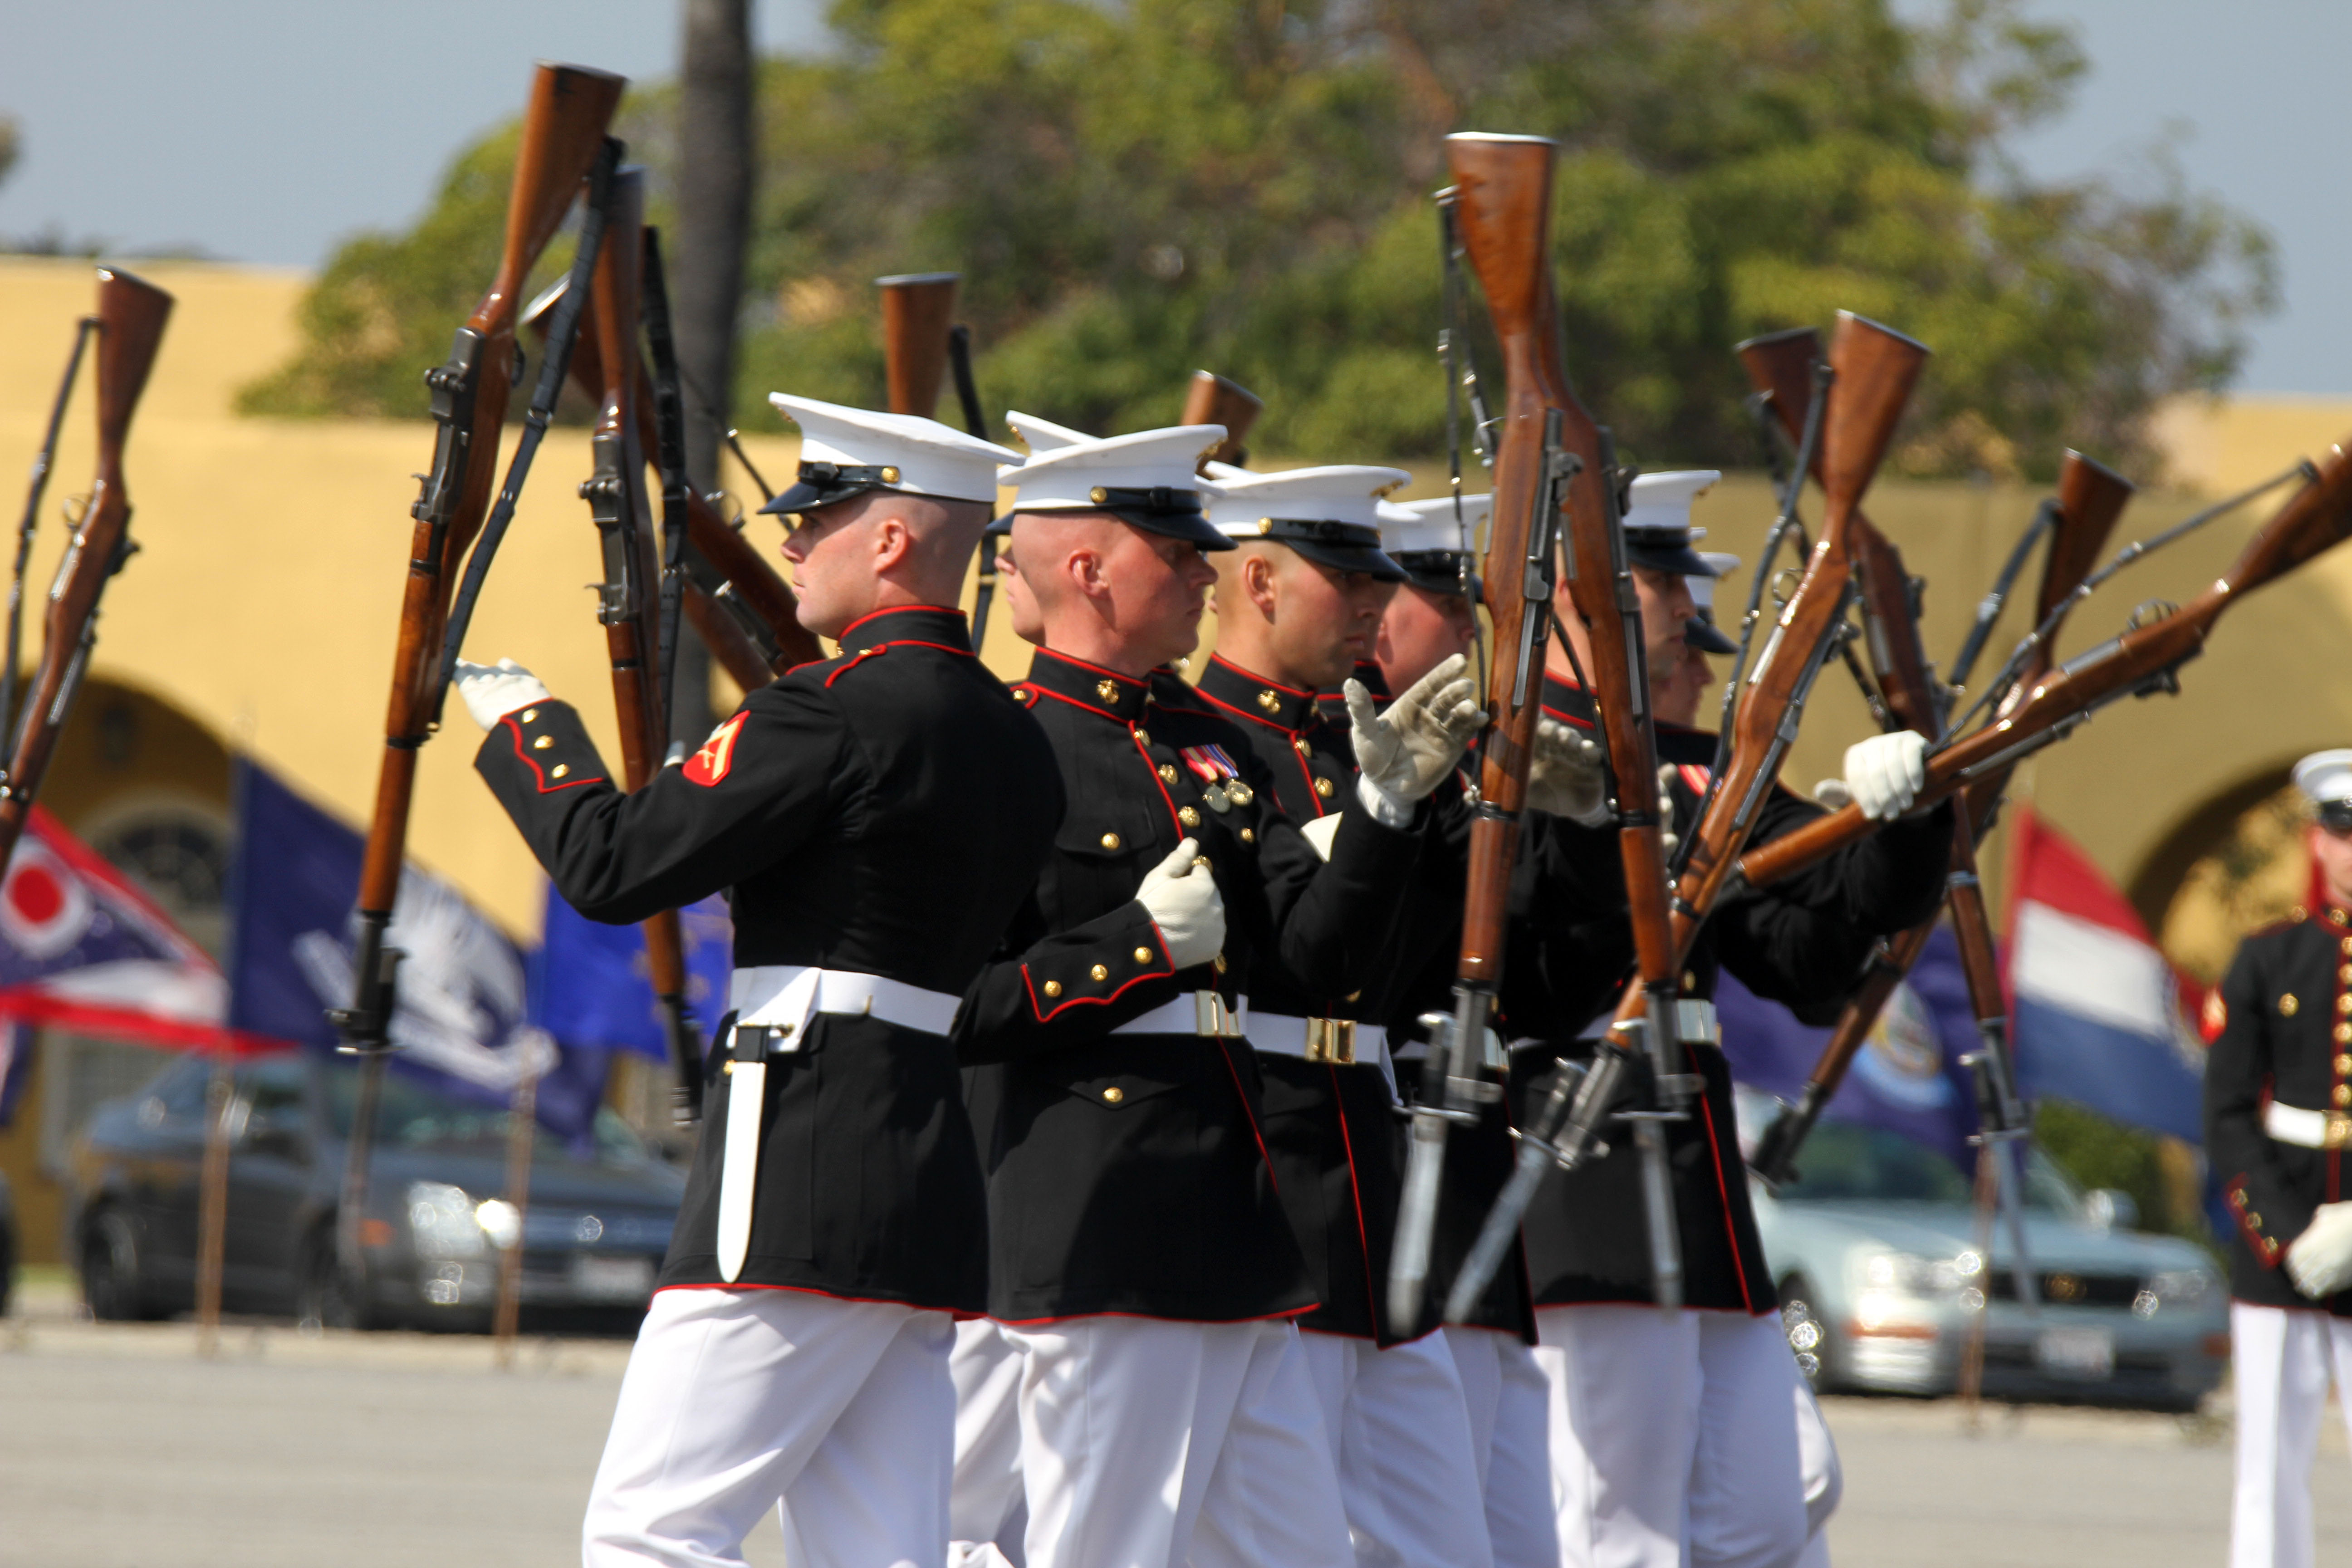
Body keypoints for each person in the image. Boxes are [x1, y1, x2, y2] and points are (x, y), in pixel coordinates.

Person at [452, 394, 1062, 1568]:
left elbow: (612, 865)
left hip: (798, 1152)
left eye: (818, 517)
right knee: (883, 1550)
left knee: (651, 1531)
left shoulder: (827, 715)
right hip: (922, 1168)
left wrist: (532, 727)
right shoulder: (1012, 736)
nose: (792, 539)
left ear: (892, 540)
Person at [946, 421, 1481, 1568]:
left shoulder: (1204, 743)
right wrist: (1138, 949)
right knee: (1101, 1550)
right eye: (1177, 551)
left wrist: (1387, 814)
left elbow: (1318, 961)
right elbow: (958, 1007)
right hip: (1098, 1206)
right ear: (1090, 570)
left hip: (1238, 1218)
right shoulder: (1006, 746)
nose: (1205, 570)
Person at [1507, 470, 1950, 1568]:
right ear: (1586, 595)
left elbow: (1810, 950)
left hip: (1692, 1188)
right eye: (1663, 583)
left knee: (1779, 1493)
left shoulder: (1691, 772)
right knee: (1611, 1525)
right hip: (1579, 1174)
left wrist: (1908, 812)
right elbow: (1536, 969)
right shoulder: (1510, 750)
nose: (1689, 614)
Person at [1194, 463, 1497, 1568]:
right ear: (1260, 581)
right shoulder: (1196, 742)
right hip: (1264, 1170)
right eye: (1348, 577)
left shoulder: (1359, 740)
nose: (1376, 600)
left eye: (1379, 578)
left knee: (1448, 1547)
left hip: (1371, 1172)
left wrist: (1509, 820)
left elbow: (1431, 972)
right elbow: (1304, 960)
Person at [1364, 488, 1571, 1568]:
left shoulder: (1478, 769)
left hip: (1470, 1184)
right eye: (1446, 603)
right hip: (1382, 1161)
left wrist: (1580, 835)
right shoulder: (1344, 758)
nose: (1468, 628)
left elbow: (1553, 985)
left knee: (1503, 1542)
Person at [2207, 747, 2352, 1568]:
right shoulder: (2268, 957)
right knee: (2266, 1469)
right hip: (2280, 1233)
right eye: (2343, 834)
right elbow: (2228, 1113)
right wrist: (2289, 1235)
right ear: (2318, 841)